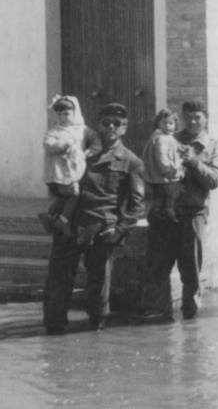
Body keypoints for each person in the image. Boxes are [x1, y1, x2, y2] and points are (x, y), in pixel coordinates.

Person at [43, 103, 145, 334]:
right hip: (69, 225)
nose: (110, 127)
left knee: (98, 283)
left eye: (116, 123)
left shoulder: (132, 162)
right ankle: (53, 329)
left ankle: (96, 330)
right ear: (97, 125)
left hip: (102, 229)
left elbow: (136, 204)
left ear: (124, 128)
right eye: (105, 122)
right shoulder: (80, 153)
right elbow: (56, 179)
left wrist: (119, 231)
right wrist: (61, 194)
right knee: (58, 279)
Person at [139, 100, 218, 321]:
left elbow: (214, 181)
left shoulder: (211, 145)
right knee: (158, 267)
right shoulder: (168, 138)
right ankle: (160, 320)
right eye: (189, 117)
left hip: (193, 214)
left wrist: (194, 162)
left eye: (198, 117)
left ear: (206, 118)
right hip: (164, 212)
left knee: (191, 271)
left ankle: (190, 321)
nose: (193, 122)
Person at [39, 95, 101, 236]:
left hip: (76, 168)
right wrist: (63, 144)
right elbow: (48, 146)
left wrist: (88, 152)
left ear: (75, 113)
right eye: (59, 114)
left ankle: (50, 216)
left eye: (66, 114)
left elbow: (96, 143)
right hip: (60, 170)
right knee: (73, 194)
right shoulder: (54, 131)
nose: (63, 118)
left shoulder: (84, 130)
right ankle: (62, 220)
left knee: (66, 196)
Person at [142, 108, 187, 222]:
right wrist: (167, 170)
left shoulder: (162, 136)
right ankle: (169, 215)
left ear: (175, 124)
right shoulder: (162, 139)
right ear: (158, 123)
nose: (168, 126)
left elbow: (175, 146)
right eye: (164, 123)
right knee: (170, 197)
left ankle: (158, 214)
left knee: (160, 198)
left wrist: (182, 148)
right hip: (166, 176)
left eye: (171, 123)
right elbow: (161, 155)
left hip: (159, 178)